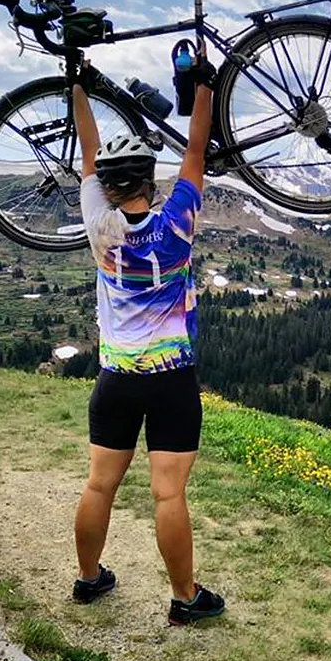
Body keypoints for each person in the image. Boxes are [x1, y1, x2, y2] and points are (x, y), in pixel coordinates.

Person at [70, 54, 225, 627]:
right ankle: (185, 597)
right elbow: (194, 153)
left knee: (99, 484)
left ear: (108, 188)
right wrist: (203, 88)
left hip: (115, 380)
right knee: (168, 496)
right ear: (148, 183)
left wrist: (79, 90)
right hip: (171, 382)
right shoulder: (176, 222)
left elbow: (88, 153)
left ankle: (89, 580)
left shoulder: (99, 225)